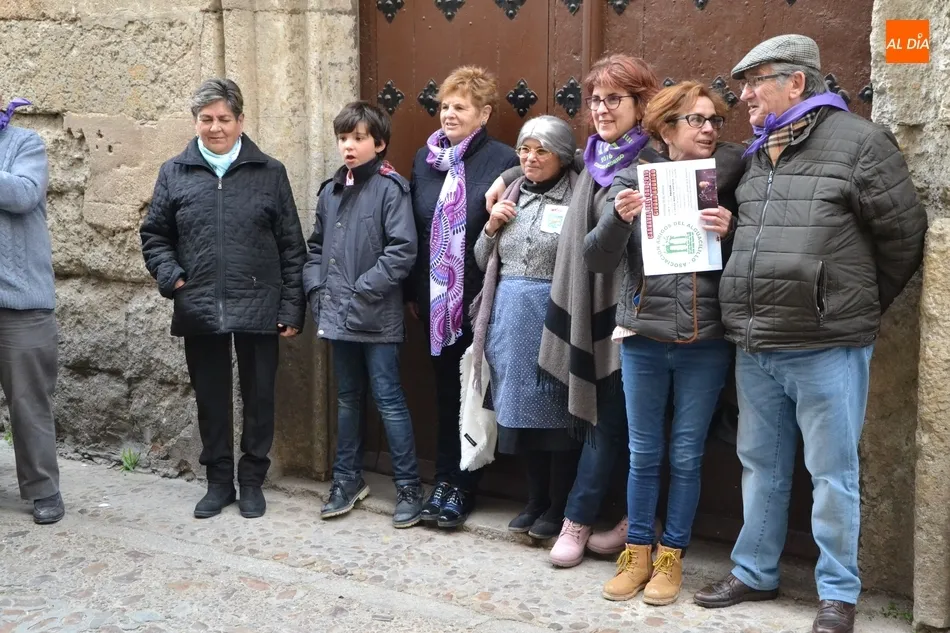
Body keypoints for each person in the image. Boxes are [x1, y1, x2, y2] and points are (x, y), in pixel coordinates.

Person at [691, 35, 927, 633]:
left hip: (826, 345)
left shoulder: (860, 143)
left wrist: (849, 307)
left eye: (755, 81)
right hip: (756, 342)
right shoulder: (756, 153)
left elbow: (903, 238)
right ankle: (754, 571)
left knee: (832, 473)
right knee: (759, 465)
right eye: (741, 84)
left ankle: (838, 592)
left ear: (797, 84)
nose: (743, 95)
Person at [487, 54, 658, 568]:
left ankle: (602, 522)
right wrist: (510, 169)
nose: (602, 110)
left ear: (641, 105)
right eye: (596, 100)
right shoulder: (595, 160)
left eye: (614, 100)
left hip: (635, 311)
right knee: (610, 425)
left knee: (634, 430)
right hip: (591, 311)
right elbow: (547, 157)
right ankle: (589, 521)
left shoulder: (653, 158)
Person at [585, 81, 743, 605]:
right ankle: (637, 555)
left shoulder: (733, 174)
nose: (708, 130)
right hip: (643, 337)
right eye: (696, 120)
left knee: (687, 455)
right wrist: (617, 217)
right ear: (665, 129)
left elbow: (756, 248)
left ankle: (672, 558)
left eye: (713, 120)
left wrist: (733, 229)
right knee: (644, 452)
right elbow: (597, 259)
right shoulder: (633, 178)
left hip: (706, 340)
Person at [141, 78, 307, 520]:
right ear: (196, 122)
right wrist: (173, 278)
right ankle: (219, 482)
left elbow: (293, 246)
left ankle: (252, 480)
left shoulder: (269, 172)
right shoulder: (174, 172)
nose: (215, 128)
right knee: (211, 399)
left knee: (259, 398)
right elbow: (155, 236)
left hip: (259, 305)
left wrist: (291, 307)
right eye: (206, 119)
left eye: (224, 119)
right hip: (199, 304)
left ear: (241, 121)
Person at [407, 66, 519, 529]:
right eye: (445, 105)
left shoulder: (503, 160)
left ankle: (464, 487)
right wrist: (414, 290)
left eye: (461, 107)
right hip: (433, 302)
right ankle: (444, 481)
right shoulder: (425, 159)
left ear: (484, 113)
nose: (449, 114)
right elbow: (415, 230)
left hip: (477, 301)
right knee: (442, 392)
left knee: (473, 396)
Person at [305, 101, 423, 528]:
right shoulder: (330, 191)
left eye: (357, 138)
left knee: (390, 400)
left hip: (376, 317)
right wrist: (316, 289)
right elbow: (315, 248)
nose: (349, 146)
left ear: (379, 143)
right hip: (336, 316)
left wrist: (361, 290)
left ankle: (409, 487)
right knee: (347, 399)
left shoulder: (391, 189)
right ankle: (347, 480)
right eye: (343, 138)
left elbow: (401, 250)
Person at [471, 116, 579, 540]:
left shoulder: (576, 194)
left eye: (541, 151)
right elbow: (483, 261)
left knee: (558, 417)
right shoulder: (513, 195)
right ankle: (534, 501)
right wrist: (491, 225)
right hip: (509, 320)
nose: (530, 159)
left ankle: (559, 506)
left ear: (562, 156)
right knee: (521, 418)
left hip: (553, 314)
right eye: (524, 150)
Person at [0, 97, 65, 525]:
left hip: (21, 303)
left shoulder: (26, 143)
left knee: (28, 405)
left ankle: (43, 491)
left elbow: (23, 194)